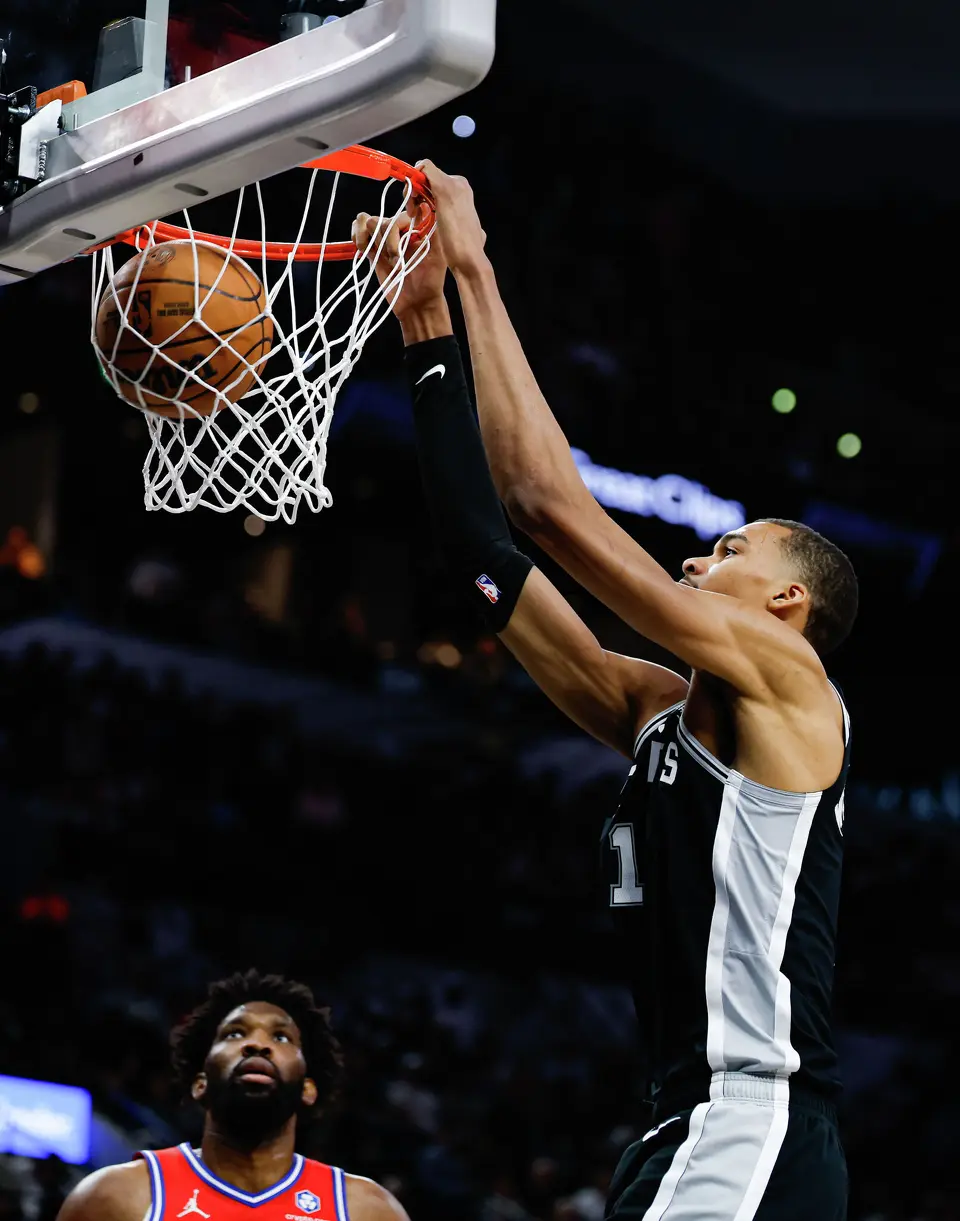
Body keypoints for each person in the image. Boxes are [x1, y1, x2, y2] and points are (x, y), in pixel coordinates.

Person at [354, 165, 858, 1221]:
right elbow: (484, 553)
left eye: (725, 550)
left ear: (785, 605)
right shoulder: (650, 712)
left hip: (749, 1115)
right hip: (682, 1119)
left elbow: (545, 503)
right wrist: (425, 324)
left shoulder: (795, 686)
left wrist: (477, 271)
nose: (690, 564)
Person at [56, 971, 409, 1221]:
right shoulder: (115, 1197)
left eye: (281, 1038)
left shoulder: (366, 1210)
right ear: (200, 1083)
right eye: (235, 1034)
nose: (257, 1044)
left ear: (308, 1088)